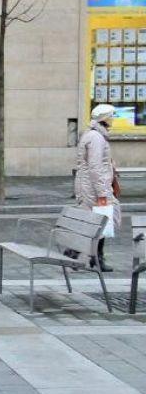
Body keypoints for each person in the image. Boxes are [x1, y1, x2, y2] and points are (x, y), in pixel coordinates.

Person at [75, 103, 120, 272]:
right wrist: (103, 193)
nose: (113, 119)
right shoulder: (96, 138)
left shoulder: (93, 136)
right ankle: (83, 254)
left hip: (90, 185)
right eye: (111, 116)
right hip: (93, 187)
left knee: (98, 221)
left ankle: (92, 256)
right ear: (104, 119)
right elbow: (95, 167)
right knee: (103, 221)